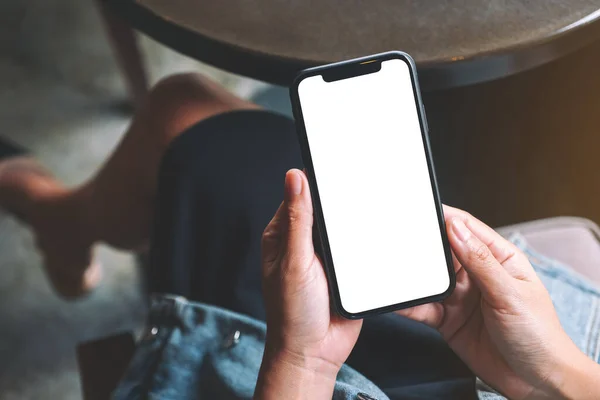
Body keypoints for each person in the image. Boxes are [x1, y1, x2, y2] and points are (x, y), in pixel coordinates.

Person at [1, 73, 600, 399]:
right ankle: (62, 223)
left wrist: (303, 365)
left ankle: (58, 222)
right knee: (198, 116)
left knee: (189, 123)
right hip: (556, 370)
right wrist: (559, 375)